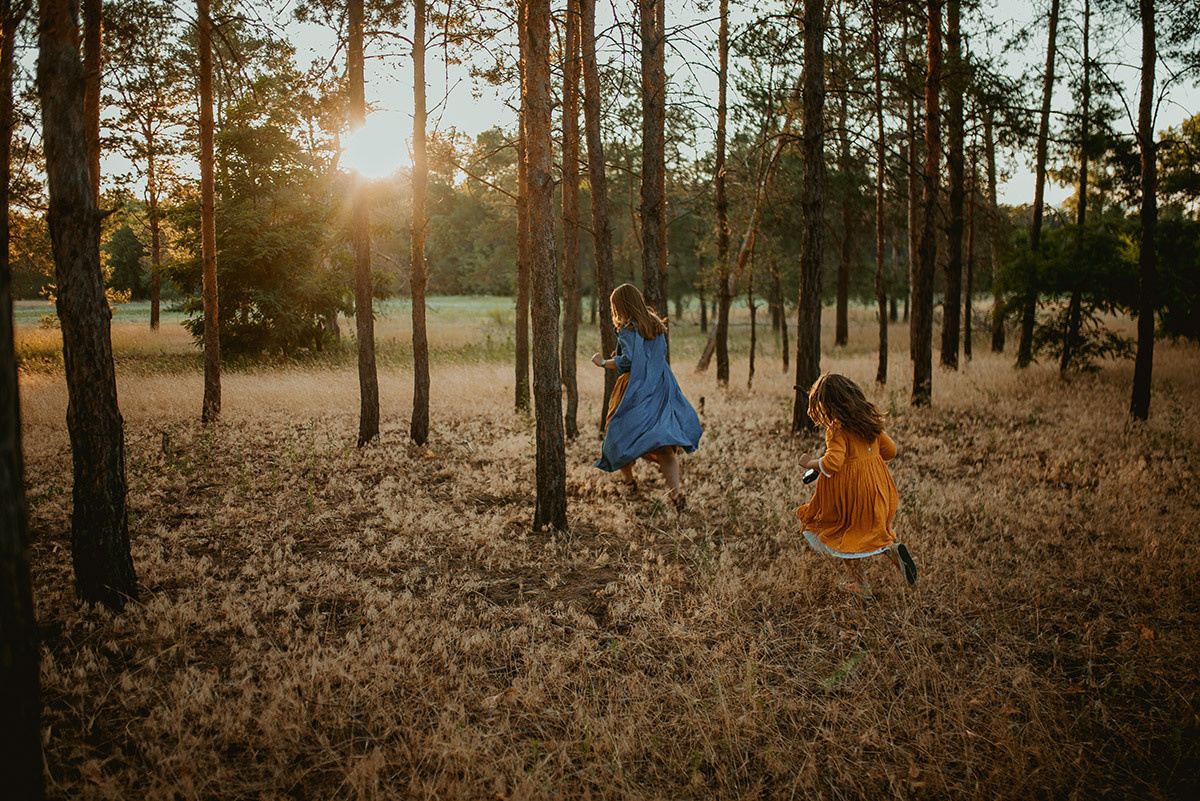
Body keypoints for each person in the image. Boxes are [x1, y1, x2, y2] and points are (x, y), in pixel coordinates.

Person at [796, 373, 917, 599]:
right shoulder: (870, 422)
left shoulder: (837, 429)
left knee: (843, 535)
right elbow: (891, 451)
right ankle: (892, 551)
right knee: (870, 532)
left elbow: (832, 463)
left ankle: (862, 584)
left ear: (829, 405)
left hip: (852, 494)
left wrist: (809, 463)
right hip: (878, 488)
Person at [592, 284, 702, 510]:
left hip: (636, 388)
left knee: (619, 434)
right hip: (660, 386)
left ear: (621, 306)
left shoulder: (628, 328)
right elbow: (647, 354)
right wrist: (621, 352)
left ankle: (629, 482)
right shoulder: (655, 324)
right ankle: (676, 494)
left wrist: (602, 362)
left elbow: (628, 363)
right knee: (664, 443)